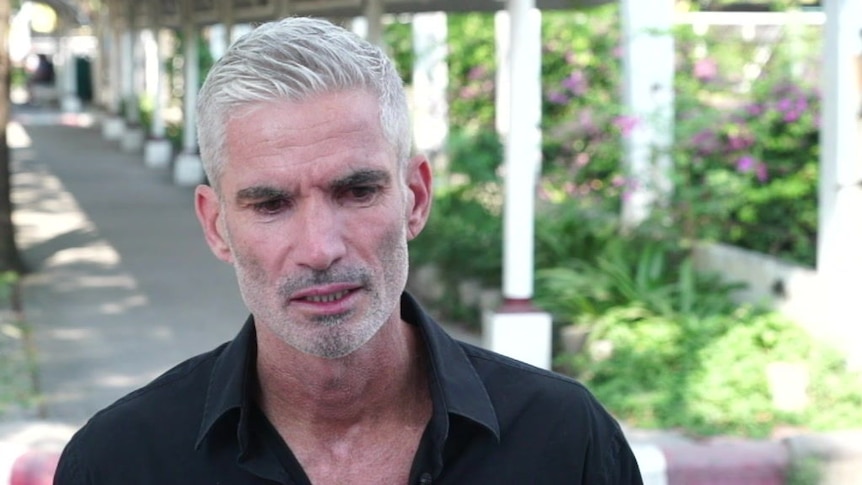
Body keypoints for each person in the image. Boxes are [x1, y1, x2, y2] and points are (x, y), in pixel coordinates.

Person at [54, 17, 643, 484]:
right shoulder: (119, 463)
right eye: (270, 204)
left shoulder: (565, 441)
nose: (320, 248)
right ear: (216, 226)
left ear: (415, 198)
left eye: (357, 191)